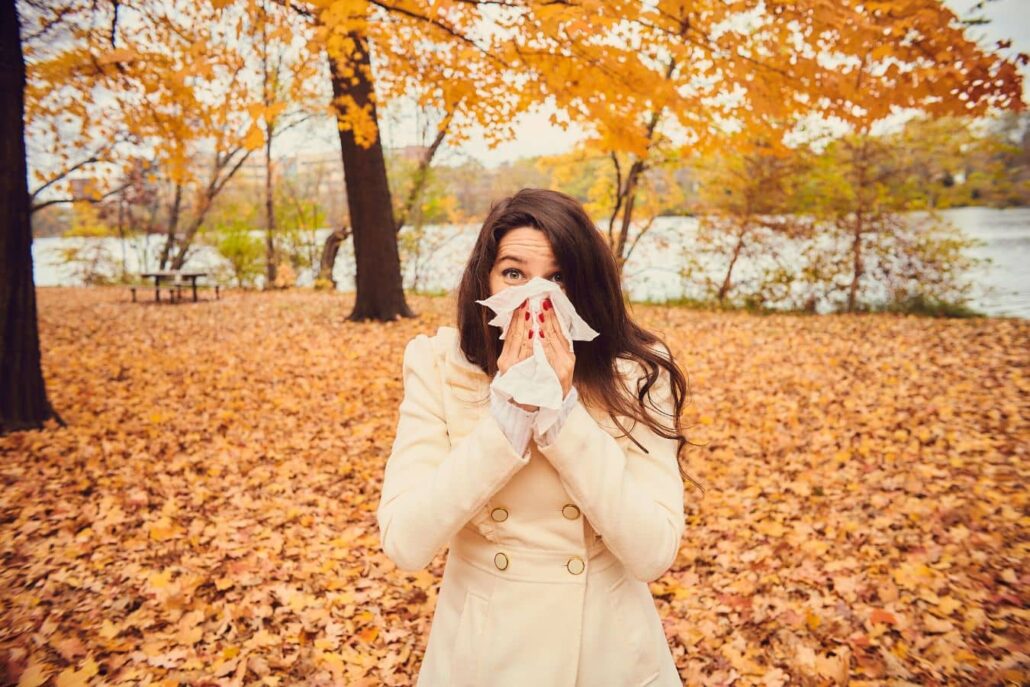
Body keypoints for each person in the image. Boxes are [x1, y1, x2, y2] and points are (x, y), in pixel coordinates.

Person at [377, 188, 701, 687]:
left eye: (558, 279)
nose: (536, 299)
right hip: (483, 653)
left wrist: (561, 416)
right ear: (485, 279)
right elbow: (406, 543)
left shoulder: (636, 372)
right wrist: (508, 416)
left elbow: (653, 552)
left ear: (587, 288)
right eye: (514, 274)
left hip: (606, 652)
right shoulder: (437, 366)